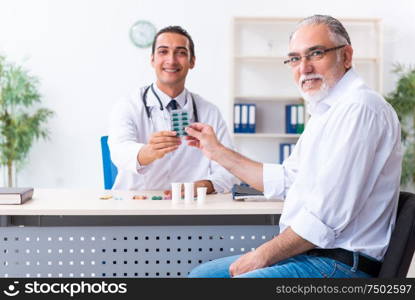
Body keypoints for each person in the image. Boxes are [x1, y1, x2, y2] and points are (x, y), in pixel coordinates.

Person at [186, 15, 402, 278]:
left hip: (341, 264)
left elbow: (325, 218)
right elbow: (288, 181)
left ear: (346, 56)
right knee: (202, 276)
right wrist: (216, 152)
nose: (304, 67)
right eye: (295, 59)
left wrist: (262, 255)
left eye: (316, 54)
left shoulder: (360, 109)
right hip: (313, 254)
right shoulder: (325, 111)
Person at [108, 26, 237, 193]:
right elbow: (119, 152)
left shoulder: (209, 112)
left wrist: (204, 185)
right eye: (163, 52)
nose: (171, 60)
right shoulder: (128, 105)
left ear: (192, 62)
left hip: (191, 208)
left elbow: (229, 169)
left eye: (181, 53)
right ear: (152, 59)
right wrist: (147, 152)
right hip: (137, 206)